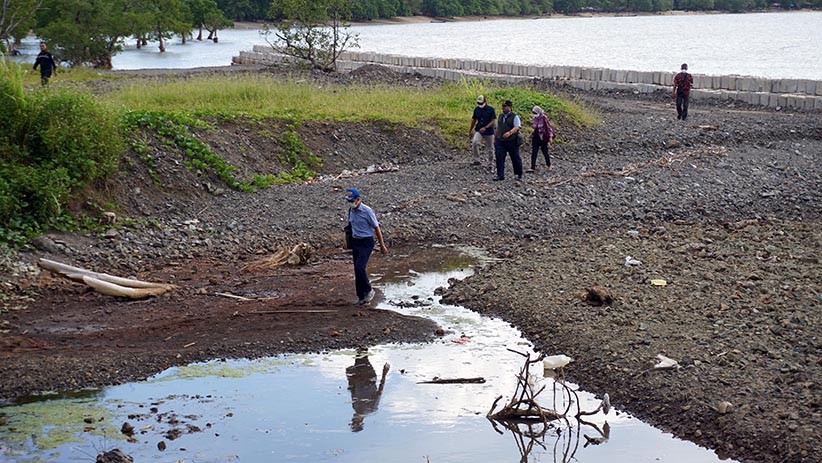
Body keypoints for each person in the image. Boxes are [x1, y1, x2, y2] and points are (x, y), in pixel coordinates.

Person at [343, 187, 388, 305]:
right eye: (349, 201)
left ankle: (369, 290)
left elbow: (376, 228)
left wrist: (382, 245)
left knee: (360, 267)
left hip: (366, 242)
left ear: (358, 199)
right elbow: (349, 226)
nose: (350, 204)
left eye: (352, 201)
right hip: (355, 241)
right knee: (357, 270)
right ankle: (361, 297)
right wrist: (345, 240)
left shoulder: (367, 211)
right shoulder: (351, 211)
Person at [346, 349, 389, 432]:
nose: (353, 418)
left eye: (352, 421)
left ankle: (362, 342)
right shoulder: (372, 408)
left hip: (358, 376)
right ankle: (363, 341)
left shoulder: (355, 407)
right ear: (361, 421)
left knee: (360, 355)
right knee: (362, 356)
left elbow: (352, 389)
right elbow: (380, 391)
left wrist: (349, 376)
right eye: (355, 421)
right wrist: (384, 373)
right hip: (368, 376)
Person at [493, 100, 523, 181]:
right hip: (501, 140)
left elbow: (517, 127)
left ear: (510, 107)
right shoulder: (500, 116)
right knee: (499, 157)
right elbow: (497, 127)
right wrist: (495, 138)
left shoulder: (515, 116)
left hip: (512, 140)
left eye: (505, 106)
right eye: (503, 106)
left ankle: (518, 174)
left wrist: (509, 133)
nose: (503, 108)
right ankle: (500, 175)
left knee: (515, 157)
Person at [469, 95, 496, 173]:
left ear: (485, 102)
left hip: (489, 131)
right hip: (479, 129)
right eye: (478, 103)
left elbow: (493, 121)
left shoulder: (491, 109)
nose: (480, 105)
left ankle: (491, 163)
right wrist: (470, 130)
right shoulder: (477, 109)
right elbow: (474, 120)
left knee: (490, 148)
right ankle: (476, 159)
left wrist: (486, 127)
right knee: (475, 142)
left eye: (481, 103)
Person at [527, 106, 555, 173]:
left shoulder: (544, 118)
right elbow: (534, 127)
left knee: (545, 152)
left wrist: (550, 137)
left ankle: (549, 165)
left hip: (543, 138)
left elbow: (548, 128)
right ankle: (532, 167)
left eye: (535, 112)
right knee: (534, 152)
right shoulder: (534, 118)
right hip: (536, 137)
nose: (534, 114)